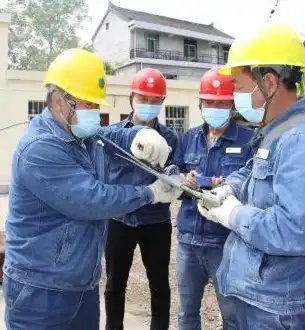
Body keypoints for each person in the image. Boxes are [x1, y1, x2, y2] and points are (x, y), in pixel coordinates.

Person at [3, 49, 182, 330]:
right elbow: (92, 199)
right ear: (61, 101)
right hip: (40, 290)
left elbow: (113, 134)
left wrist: (141, 133)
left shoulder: (83, 135)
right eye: (88, 105)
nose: (95, 114)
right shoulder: (40, 149)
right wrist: (151, 193)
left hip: (81, 284)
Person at [198, 23, 305, 329]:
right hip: (259, 296)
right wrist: (228, 189)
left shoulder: (303, 140)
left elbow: (297, 231)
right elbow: (255, 170)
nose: (235, 96)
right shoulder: (277, 130)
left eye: (240, 87)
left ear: (268, 83)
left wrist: (234, 215)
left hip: (279, 308)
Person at [173, 68, 253, 330]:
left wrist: (229, 186)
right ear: (201, 103)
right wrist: (185, 179)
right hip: (188, 240)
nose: (215, 107)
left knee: (231, 314)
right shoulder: (189, 137)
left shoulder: (248, 140)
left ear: (232, 105)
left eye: (222, 103)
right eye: (210, 102)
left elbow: (252, 184)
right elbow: (173, 176)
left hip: (224, 242)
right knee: (187, 313)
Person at [104, 68, 178, 330]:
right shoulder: (111, 134)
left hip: (155, 221)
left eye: (154, 100)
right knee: (115, 284)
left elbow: (175, 173)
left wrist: (176, 182)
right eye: (143, 98)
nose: (148, 104)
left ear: (162, 103)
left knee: (159, 284)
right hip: (119, 220)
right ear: (131, 98)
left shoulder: (170, 138)